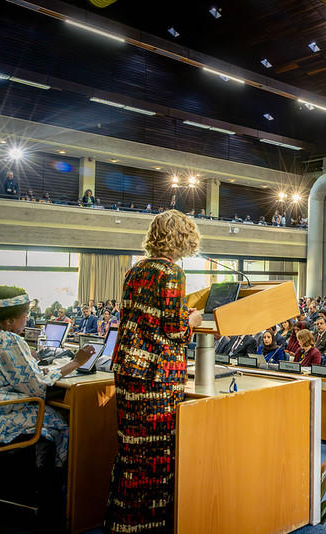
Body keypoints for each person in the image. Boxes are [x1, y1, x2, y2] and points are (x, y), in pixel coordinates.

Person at [105, 210, 203, 534]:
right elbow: (175, 330)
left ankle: (122, 520)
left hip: (128, 369)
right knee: (156, 450)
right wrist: (192, 320)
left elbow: (144, 319)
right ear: (183, 238)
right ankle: (149, 524)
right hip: (156, 376)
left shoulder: (135, 270)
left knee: (131, 449)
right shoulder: (172, 272)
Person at [0, 285, 94, 468]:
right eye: (25, 314)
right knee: (64, 422)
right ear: (10, 320)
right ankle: (54, 477)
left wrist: (32, 366)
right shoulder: (7, 340)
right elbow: (37, 387)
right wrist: (76, 362)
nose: (27, 318)